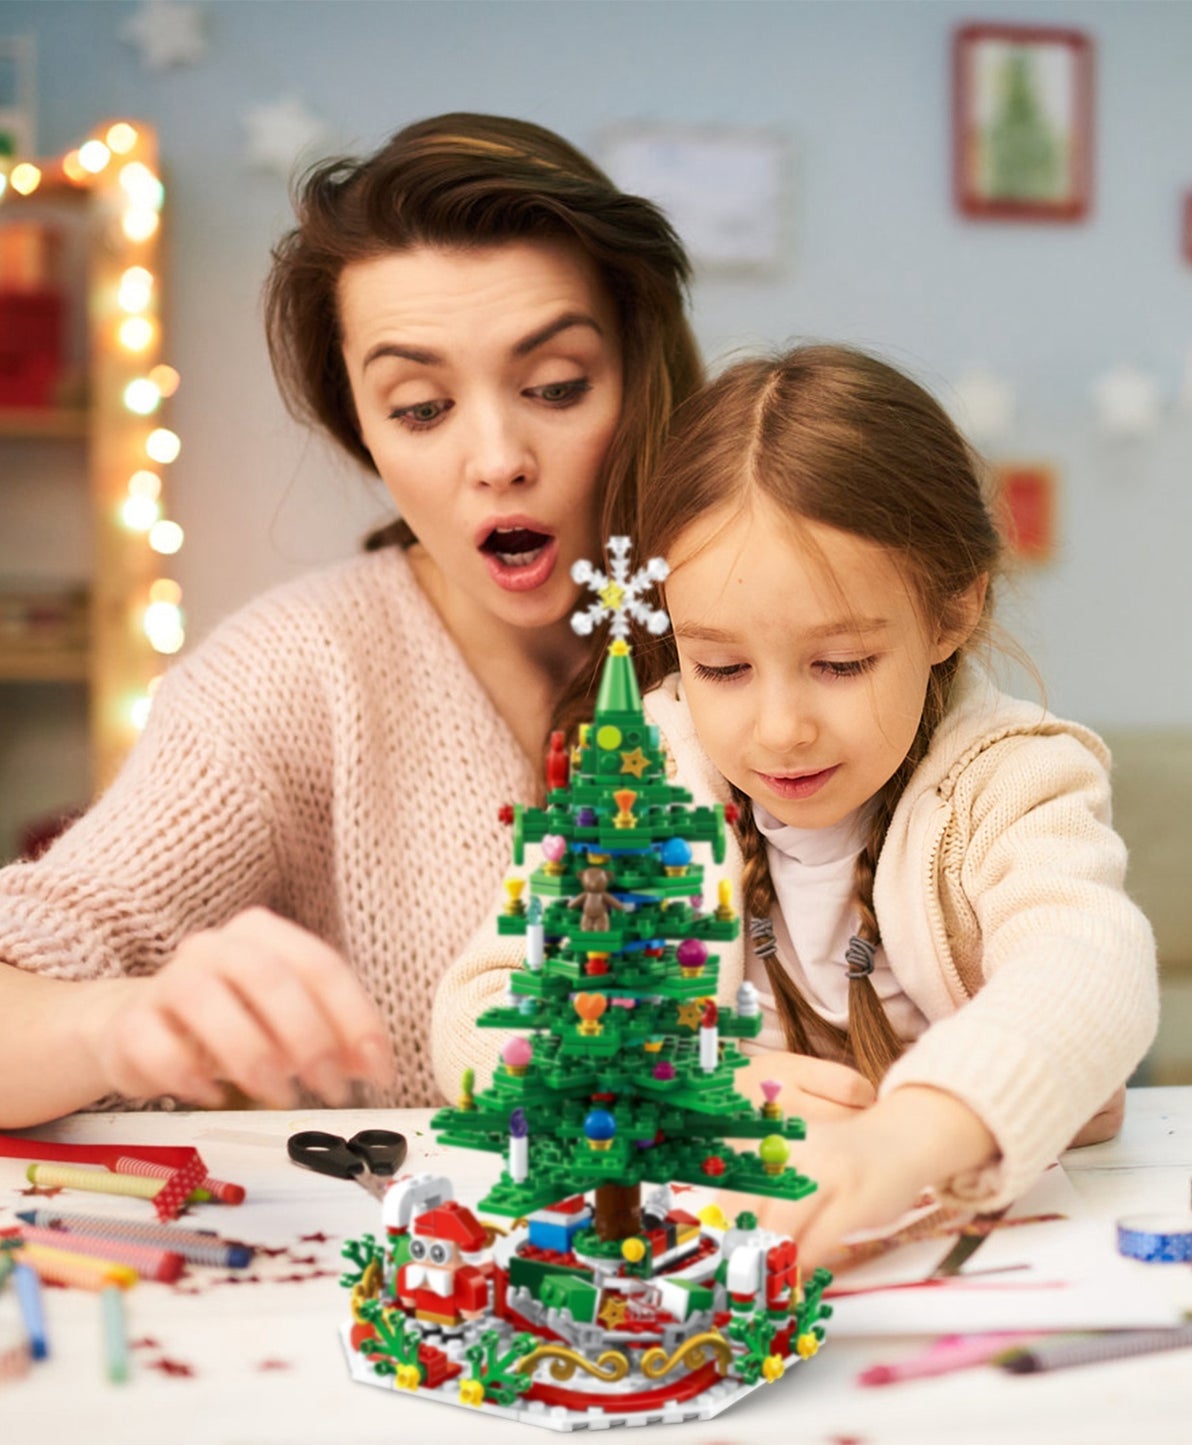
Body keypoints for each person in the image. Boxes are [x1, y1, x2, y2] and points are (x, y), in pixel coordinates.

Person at [0, 113, 701, 1128]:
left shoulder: (770, 615)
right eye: (420, 406)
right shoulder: (295, 674)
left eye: (556, 386)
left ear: (642, 373)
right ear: (360, 429)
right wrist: (119, 1021)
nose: (496, 454)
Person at [431, 344, 1157, 1273]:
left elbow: (1090, 965)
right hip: (721, 1251)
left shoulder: (1012, 781)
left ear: (951, 611)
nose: (778, 730)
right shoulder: (648, 770)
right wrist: (689, 1097)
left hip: (972, 1250)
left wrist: (900, 1141)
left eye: (840, 663)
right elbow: (480, 1016)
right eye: (721, 667)